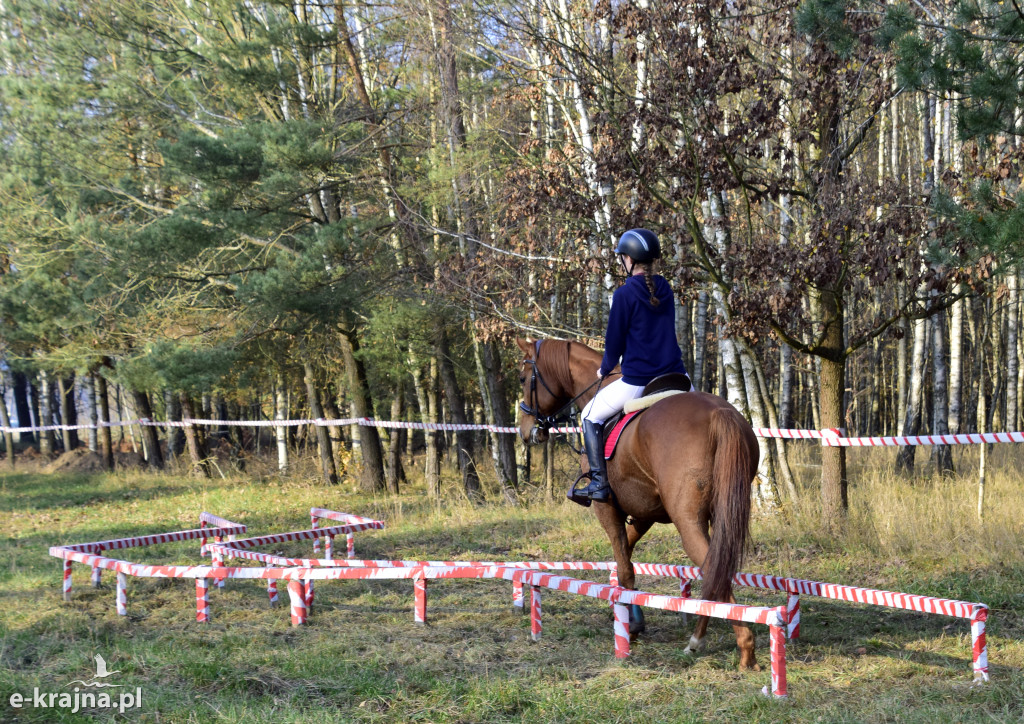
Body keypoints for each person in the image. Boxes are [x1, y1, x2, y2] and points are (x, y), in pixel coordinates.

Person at [573, 228, 690, 504]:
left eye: (622, 257)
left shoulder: (624, 295)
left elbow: (614, 342)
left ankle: (600, 483)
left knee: (589, 415)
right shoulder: (666, 288)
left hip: (639, 381)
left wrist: (605, 367)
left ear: (629, 259)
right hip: (677, 377)